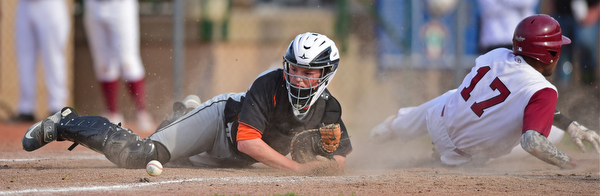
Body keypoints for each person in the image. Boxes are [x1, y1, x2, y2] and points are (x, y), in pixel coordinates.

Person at [21, 32, 353, 172]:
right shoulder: (269, 84)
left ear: (326, 74)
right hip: (221, 126)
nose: (298, 78)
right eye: (295, 69)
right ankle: (66, 122)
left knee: (175, 164)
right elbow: (248, 141)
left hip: (233, 160)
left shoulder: (329, 108)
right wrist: (297, 169)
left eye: (309, 72)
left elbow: (341, 154)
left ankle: (183, 114)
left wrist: (328, 165)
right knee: (140, 155)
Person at [370, 15, 599, 169]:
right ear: (550, 54)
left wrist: (570, 124)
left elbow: (521, 93)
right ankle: (446, 151)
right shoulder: (545, 90)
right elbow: (532, 142)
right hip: (462, 157)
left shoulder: (497, 54)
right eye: (557, 48)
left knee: (454, 94)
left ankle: (392, 127)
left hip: (438, 120)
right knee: (549, 133)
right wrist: (566, 162)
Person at [82, 0, 154, 131]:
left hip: (120, 6)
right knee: (103, 62)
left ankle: (142, 112)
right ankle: (112, 112)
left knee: (128, 61)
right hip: (94, 5)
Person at [13, 0, 70, 122]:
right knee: (24, 58)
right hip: (24, 5)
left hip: (50, 6)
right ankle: (26, 108)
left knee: (53, 58)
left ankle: (57, 106)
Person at [553, 0, 599, 85]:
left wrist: (596, 10)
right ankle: (564, 83)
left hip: (588, 12)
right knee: (563, 53)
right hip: (562, 13)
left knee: (586, 43)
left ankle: (588, 78)